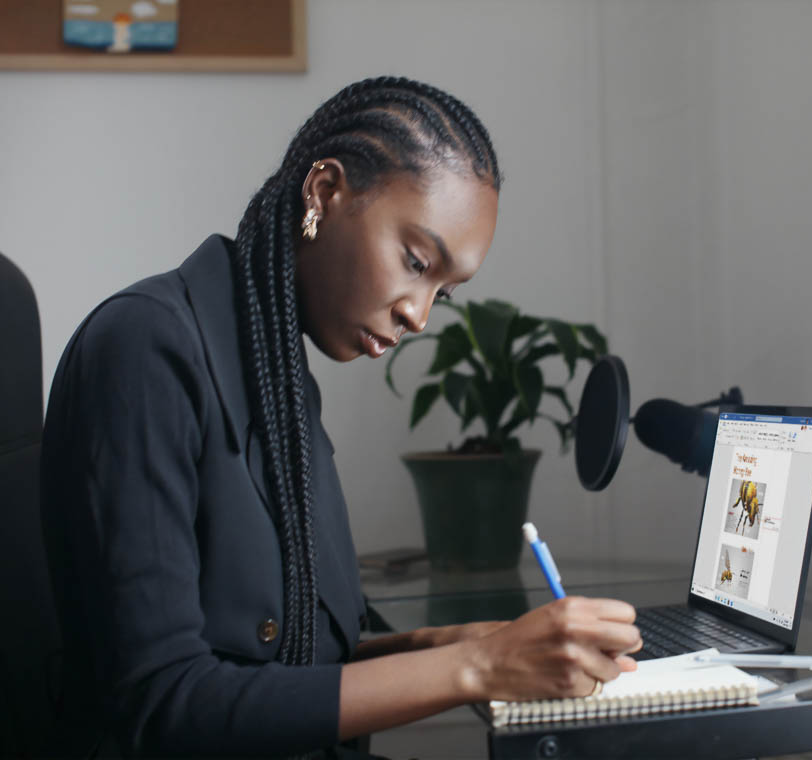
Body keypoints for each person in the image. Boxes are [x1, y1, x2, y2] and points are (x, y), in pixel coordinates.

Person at [39, 76, 642, 758]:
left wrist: (458, 643)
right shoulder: (146, 348)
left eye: (442, 291)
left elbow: (294, 662)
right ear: (324, 192)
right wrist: (476, 668)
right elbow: (166, 703)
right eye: (416, 261)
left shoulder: (279, 374)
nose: (418, 312)